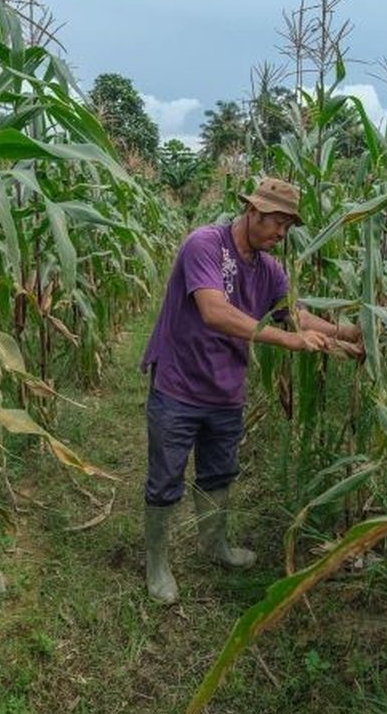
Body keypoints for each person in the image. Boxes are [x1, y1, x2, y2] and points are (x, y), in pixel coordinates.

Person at [138, 176, 363, 604]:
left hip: (225, 391)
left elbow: (292, 315)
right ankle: (157, 562)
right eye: (277, 223)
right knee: (166, 478)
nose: (281, 234)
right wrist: (287, 341)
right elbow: (214, 312)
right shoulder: (204, 245)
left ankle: (215, 544)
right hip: (179, 385)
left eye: (288, 227)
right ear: (252, 211)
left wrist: (347, 333)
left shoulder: (269, 269)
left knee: (218, 473)